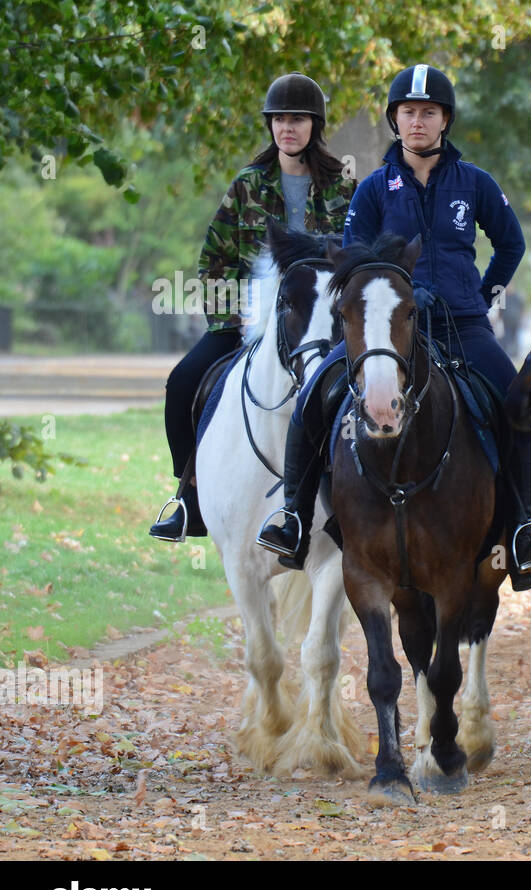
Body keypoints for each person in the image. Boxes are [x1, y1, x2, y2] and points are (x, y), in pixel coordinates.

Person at [255, 64, 531, 589]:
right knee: (312, 400)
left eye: (429, 112)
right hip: (387, 330)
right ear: (395, 119)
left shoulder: (476, 183)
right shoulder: (374, 189)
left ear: (445, 120)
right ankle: (294, 518)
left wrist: (482, 295)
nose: (418, 121)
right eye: (408, 112)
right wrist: (388, 296)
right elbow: (351, 258)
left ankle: (522, 529)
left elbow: (511, 244)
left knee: (512, 406)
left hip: (461, 324)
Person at [149, 73, 355, 541]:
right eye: (279, 119)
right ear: (270, 125)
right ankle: (190, 497)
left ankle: (357, 503)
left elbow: (356, 262)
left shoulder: (344, 188)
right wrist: (238, 318)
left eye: (298, 119)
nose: (288, 128)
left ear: (314, 125)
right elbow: (212, 261)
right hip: (250, 322)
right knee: (182, 383)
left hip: (322, 326)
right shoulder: (246, 185)